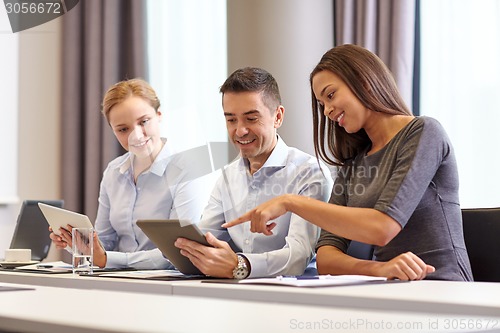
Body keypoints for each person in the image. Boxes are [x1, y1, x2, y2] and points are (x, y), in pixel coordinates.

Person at [224, 45, 473, 281]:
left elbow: (382, 227)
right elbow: (326, 259)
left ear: (363, 81)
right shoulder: (354, 162)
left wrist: (290, 201)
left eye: (330, 95)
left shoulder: (424, 132)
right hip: (391, 289)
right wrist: (380, 269)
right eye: (322, 103)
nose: (327, 111)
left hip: (442, 286)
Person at [174, 67, 333, 279]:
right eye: (231, 120)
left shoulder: (310, 173)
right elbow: (203, 240)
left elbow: (298, 256)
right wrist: (118, 260)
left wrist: (240, 265)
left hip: (293, 296)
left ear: (277, 117)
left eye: (251, 119)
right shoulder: (228, 176)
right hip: (236, 293)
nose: (240, 131)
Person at [50, 78, 213, 269]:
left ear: (159, 115)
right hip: (119, 280)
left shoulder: (188, 169)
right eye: (123, 129)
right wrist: (78, 244)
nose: (136, 135)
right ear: (113, 130)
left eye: (143, 122)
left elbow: (180, 251)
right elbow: (105, 242)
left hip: (167, 283)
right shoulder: (113, 172)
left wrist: (107, 260)